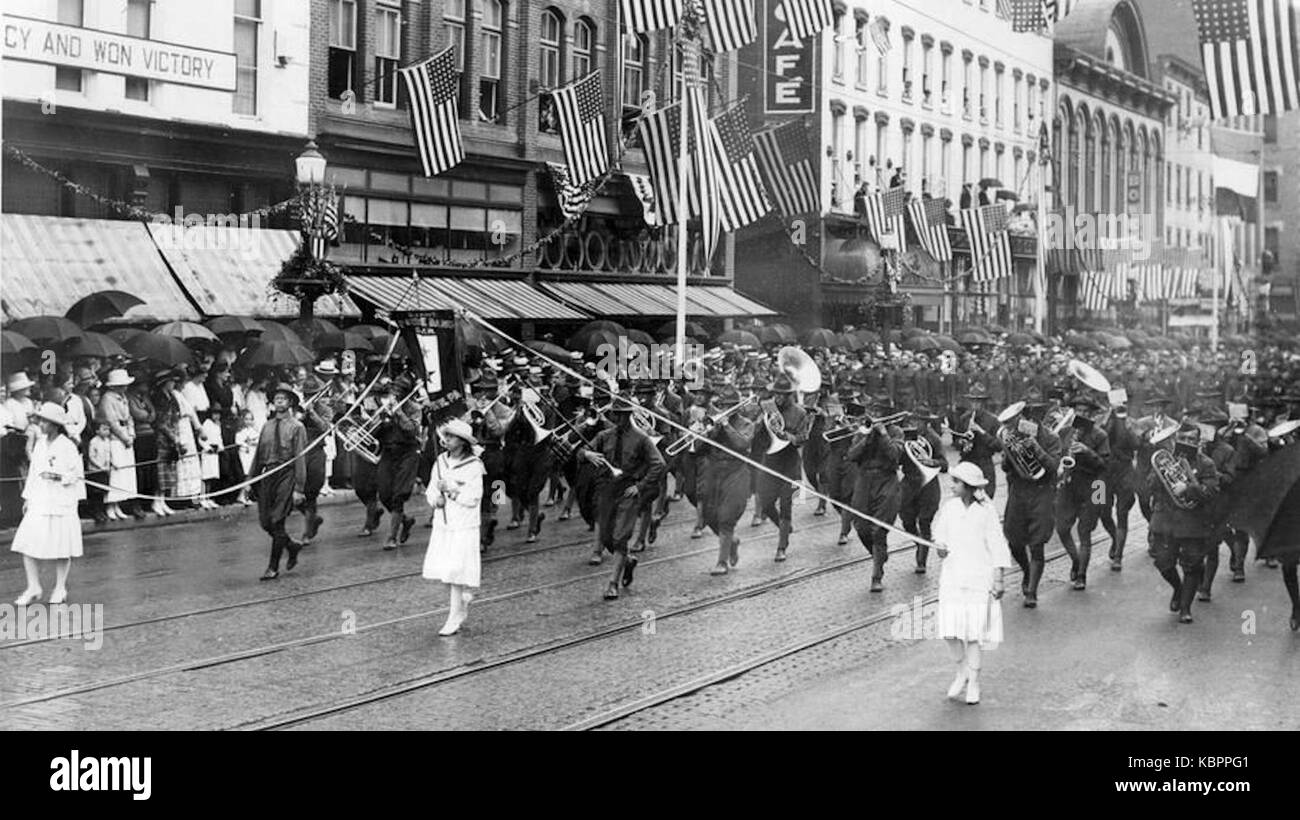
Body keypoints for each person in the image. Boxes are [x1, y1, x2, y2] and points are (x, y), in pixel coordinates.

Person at [932, 461, 1013, 705]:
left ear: (968, 486)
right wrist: (940, 547)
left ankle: (974, 682)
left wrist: (999, 578)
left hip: (979, 577)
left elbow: (997, 544)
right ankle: (961, 672)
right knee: (950, 631)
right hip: (953, 577)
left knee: (975, 634)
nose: (951, 485)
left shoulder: (986, 510)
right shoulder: (949, 508)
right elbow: (939, 534)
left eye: (956, 482)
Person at [579, 397, 665, 600]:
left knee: (620, 537)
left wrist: (640, 486)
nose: (619, 419)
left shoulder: (642, 439)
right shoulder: (603, 436)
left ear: (630, 415)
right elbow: (582, 452)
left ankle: (612, 584)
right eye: (616, 415)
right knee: (606, 536)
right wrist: (587, 455)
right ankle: (627, 561)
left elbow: (658, 464)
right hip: (606, 490)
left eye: (624, 415)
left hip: (628, 491)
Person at [12, 403, 86, 605]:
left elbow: (76, 475)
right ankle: (33, 586)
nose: (41, 424)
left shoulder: (67, 445)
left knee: (62, 546)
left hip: (62, 501)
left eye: (45, 421)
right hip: (40, 500)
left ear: (55, 424)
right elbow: (34, 473)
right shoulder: (41, 443)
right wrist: (28, 498)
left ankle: (60, 587)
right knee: (27, 543)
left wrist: (57, 476)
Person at [422, 419, 485, 636]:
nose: (446, 440)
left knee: (455, 571)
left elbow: (473, 498)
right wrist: (434, 500)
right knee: (445, 572)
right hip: (444, 524)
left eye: (451, 437)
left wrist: (451, 490)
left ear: (462, 442)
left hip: (464, 525)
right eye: (445, 436)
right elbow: (431, 489)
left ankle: (454, 616)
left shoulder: (474, 466)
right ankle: (460, 604)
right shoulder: (440, 461)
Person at [249, 384, 307, 580]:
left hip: (286, 474)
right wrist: (251, 480)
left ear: (290, 402)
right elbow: (258, 455)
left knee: (277, 520)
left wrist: (299, 488)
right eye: (276, 398)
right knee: (266, 522)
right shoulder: (267, 426)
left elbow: (300, 458)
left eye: (283, 398)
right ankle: (291, 545)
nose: (279, 401)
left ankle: (272, 567)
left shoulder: (297, 427)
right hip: (267, 475)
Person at [85, 419, 113, 524]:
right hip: (95, 471)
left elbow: (108, 454)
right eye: (104, 429)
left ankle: (101, 511)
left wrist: (109, 463)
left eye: (108, 429)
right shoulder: (94, 441)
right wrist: (100, 466)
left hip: (104, 470)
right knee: (95, 492)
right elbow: (91, 456)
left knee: (102, 492)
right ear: (97, 431)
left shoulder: (107, 441)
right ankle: (95, 511)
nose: (107, 432)